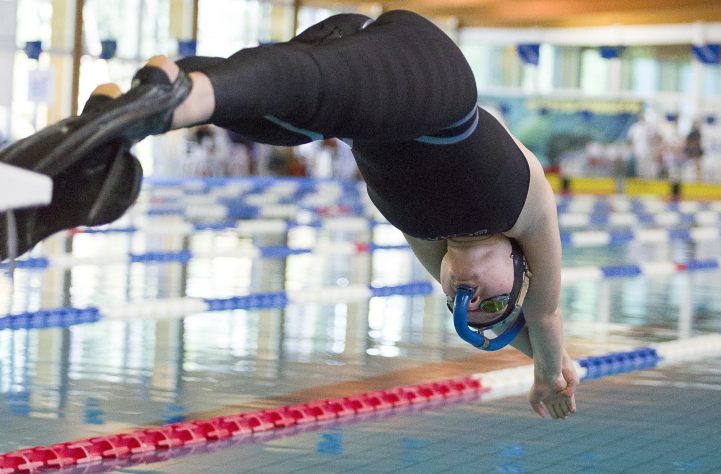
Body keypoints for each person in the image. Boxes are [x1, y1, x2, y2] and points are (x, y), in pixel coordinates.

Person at [0, 10, 577, 419]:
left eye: (461, 305)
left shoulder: (430, 240)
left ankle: (123, 117)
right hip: (426, 74)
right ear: (520, 265)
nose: (468, 299)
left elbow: (508, 318)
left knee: (270, 115)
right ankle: (174, 92)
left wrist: (502, 331)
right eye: (494, 302)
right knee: (312, 90)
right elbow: (544, 319)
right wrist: (552, 372)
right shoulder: (525, 211)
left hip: (338, 64)